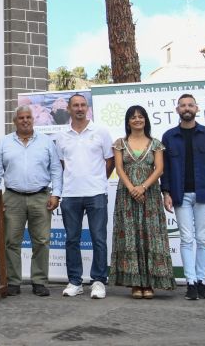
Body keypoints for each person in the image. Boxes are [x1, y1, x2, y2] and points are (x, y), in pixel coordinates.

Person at [0, 105, 62, 297]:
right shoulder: (4, 143)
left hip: (41, 196)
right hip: (12, 197)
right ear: (15, 121)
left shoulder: (46, 142)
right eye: (21, 118)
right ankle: (13, 282)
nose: (25, 120)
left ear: (33, 119)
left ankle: (39, 281)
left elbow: (56, 169)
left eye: (28, 117)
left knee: (42, 241)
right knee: (11, 241)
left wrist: (56, 194)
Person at [161, 93, 205, 301]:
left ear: (196, 109)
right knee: (187, 239)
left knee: (203, 239)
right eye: (183, 105)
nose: (186, 108)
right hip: (180, 195)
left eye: (190, 105)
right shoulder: (169, 136)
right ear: (177, 110)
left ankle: (201, 281)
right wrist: (166, 193)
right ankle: (190, 283)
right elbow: (165, 168)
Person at [109, 105, 175, 299]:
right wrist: (132, 188)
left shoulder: (156, 144)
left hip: (150, 195)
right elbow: (119, 169)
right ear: (128, 122)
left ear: (145, 120)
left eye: (140, 116)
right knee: (130, 235)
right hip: (126, 195)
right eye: (133, 117)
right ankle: (135, 284)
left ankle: (149, 284)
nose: (137, 120)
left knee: (150, 236)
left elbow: (159, 169)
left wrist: (143, 187)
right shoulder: (120, 143)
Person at [55, 93, 113, 299]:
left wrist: (98, 180)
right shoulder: (61, 136)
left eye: (82, 105)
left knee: (99, 239)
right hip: (70, 194)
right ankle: (75, 282)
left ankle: (98, 281)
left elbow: (110, 160)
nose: (79, 108)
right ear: (69, 109)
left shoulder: (101, 131)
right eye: (75, 105)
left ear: (87, 108)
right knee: (72, 239)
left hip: (96, 193)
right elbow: (61, 165)